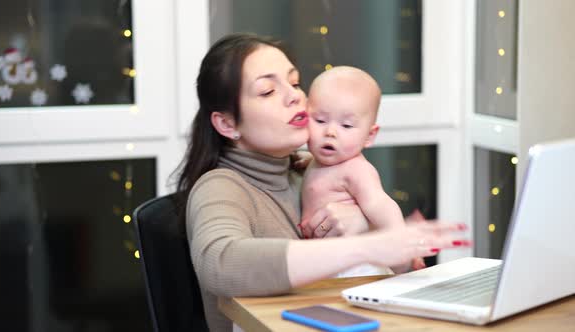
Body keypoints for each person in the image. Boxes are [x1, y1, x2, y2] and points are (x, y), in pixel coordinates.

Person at [176, 33, 470, 331]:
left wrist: (366, 229)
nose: (293, 96)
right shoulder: (220, 187)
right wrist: (366, 246)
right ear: (227, 123)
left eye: (293, 83)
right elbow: (221, 264)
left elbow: (397, 264)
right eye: (267, 91)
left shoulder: (310, 170)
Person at [300, 66, 426, 276]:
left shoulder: (356, 169)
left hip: (356, 269)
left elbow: (381, 205)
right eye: (320, 120)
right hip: (327, 264)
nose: (330, 132)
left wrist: (403, 245)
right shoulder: (315, 161)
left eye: (347, 125)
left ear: (369, 135)